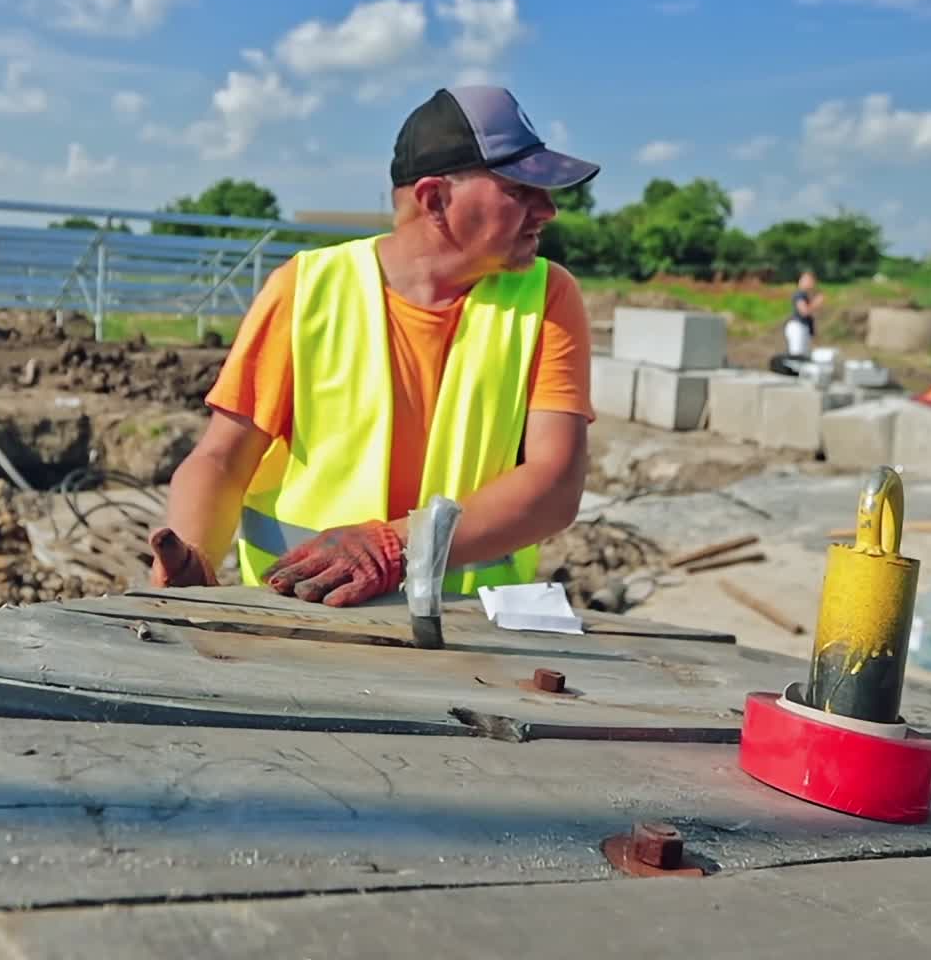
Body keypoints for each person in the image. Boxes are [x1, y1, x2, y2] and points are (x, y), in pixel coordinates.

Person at [149, 85, 599, 608]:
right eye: (520, 190)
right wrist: (190, 566)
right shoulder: (308, 288)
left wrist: (395, 547)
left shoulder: (548, 296)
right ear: (435, 199)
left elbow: (556, 484)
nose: (548, 210)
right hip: (303, 623)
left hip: (469, 636)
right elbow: (222, 459)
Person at [784, 270, 823, 358]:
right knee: (797, 355)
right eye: (807, 280)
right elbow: (804, 311)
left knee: (805, 356)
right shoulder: (799, 294)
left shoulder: (807, 296)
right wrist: (816, 303)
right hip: (797, 326)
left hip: (805, 328)